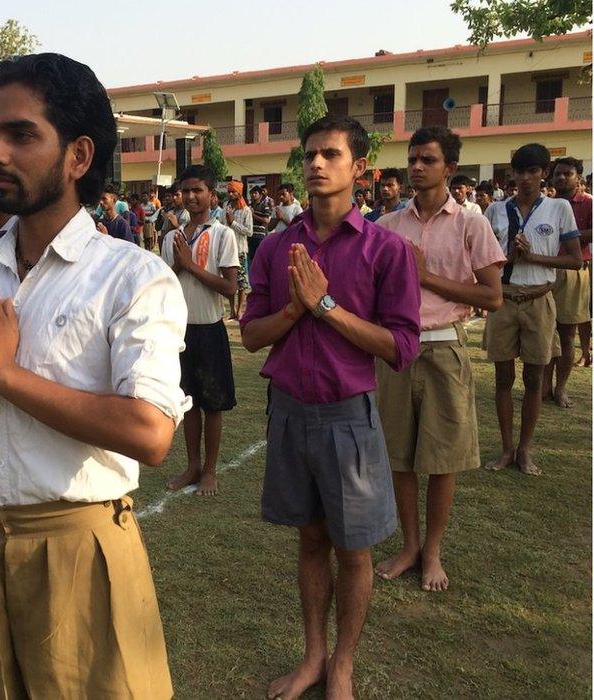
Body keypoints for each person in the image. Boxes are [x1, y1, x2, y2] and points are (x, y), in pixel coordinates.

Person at [0, 52, 185, 698]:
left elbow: (150, 432)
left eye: (20, 134)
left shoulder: (131, 277)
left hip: (82, 551)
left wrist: (0, 372)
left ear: (77, 157)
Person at [239, 115, 420, 699]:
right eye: (310, 154)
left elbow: (400, 346)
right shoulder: (275, 248)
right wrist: (295, 311)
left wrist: (325, 306)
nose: (317, 164)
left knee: (355, 548)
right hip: (289, 413)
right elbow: (251, 335)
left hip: (349, 418)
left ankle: (342, 665)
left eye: (331, 155)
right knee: (311, 539)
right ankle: (313, 656)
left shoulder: (387, 250)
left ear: (359, 168)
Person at [373, 126, 504, 592]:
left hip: (445, 345)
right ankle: (409, 545)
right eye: (412, 159)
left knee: (442, 457)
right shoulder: (388, 226)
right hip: (395, 350)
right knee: (400, 456)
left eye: (427, 159)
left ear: (449, 167)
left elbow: (492, 297)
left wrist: (427, 277)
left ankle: (433, 551)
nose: (416, 167)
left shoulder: (472, 222)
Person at [482, 143, 582, 475]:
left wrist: (534, 257)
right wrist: (510, 255)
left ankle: (525, 449)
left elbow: (575, 258)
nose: (525, 178)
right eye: (520, 171)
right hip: (504, 299)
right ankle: (507, 448)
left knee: (535, 377)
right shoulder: (496, 211)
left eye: (533, 171)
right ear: (511, 173)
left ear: (544, 173)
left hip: (540, 298)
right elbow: (483, 260)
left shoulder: (558, 209)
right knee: (503, 377)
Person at [162, 165, 238, 497]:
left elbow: (230, 287)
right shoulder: (170, 238)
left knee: (213, 404)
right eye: (186, 191)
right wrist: (178, 265)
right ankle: (192, 465)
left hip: (209, 329)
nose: (191, 197)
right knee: (188, 402)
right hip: (180, 332)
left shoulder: (223, 234)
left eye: (198, 191)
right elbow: (162, 283)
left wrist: (190, 265)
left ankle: (210, 470)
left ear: (211, 195)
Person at [543, 157, 592, 404]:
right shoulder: (546, 204)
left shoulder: (587, 203)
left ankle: (561, 388)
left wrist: (571, 236)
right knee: (545, 332)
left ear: (578, 177)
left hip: (574, 271)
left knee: (566, 334)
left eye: (567, 174)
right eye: (557, 174)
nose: (561, 178)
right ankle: (543, 386)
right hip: (547, 269)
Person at [225, 180, 252, 319]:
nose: (230, 194)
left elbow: (249, 231)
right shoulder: (227, 207)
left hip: (240, 250)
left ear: (239, 193)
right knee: (229, 281)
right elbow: (224, 226)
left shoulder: (246, 210)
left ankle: (240, 310)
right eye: (229, 191)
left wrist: (233, 223)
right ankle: (232, 309)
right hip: (228, 249)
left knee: (241, 282)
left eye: (233, 191)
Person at [250, 185, 272, 256]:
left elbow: (266, 220)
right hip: (249, 235)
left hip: (259, 236)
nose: (253, 195)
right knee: (250, 258)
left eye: (255, 193)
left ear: (260, 195)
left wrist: (253, 215)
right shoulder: (249, 206)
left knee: (259, 256)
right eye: (252, 193)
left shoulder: (265, 207)